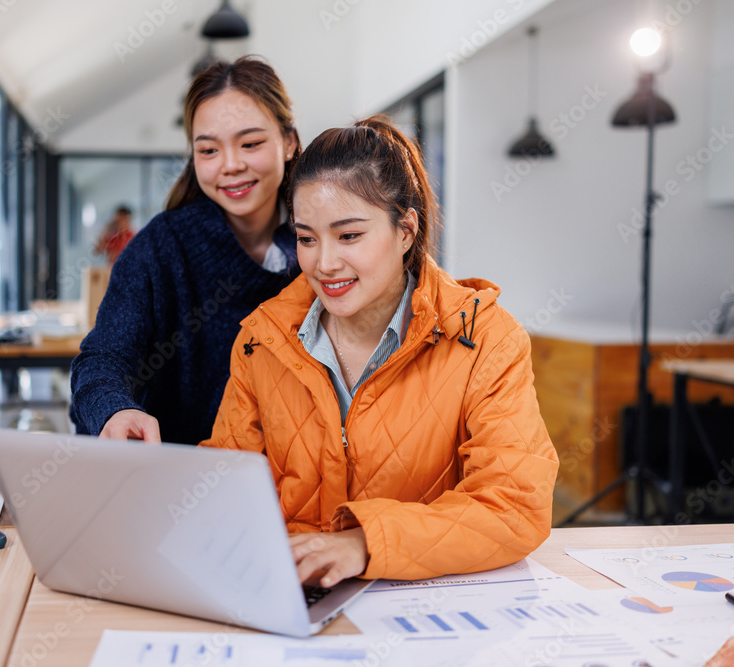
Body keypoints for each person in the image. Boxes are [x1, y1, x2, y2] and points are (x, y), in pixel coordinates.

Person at [201, 116, 559, 586]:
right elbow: (224, 489)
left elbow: (514, 505)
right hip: (292, 598)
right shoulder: (259, 341)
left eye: (349, 236)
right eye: (307, 238)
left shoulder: (486, 340)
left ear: (405, 230)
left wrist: (364, 543)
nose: (324, 263)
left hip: (422, 610)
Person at [70, 56, 302, 445]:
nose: (230, 165)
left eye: (250, 143)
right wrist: (115, 409)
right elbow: (101, 360)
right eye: (208, 150)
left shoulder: (319, 249)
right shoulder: (163, 247)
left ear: (289, 142)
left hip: (292, 490)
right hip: (171, 481)